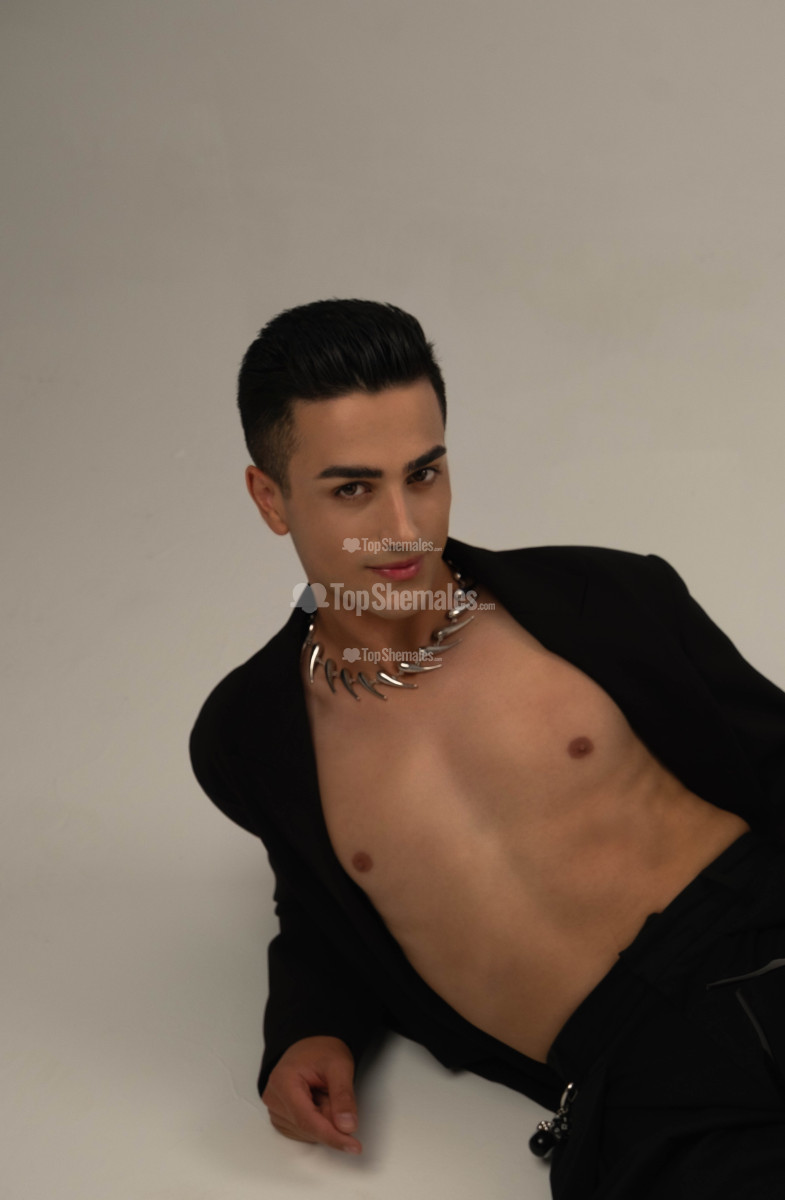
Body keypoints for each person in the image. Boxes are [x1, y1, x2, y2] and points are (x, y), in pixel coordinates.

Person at [189, 299, 785, 1198]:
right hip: (632, 1078)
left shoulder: (604, 596)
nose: (403, 525)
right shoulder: (248, 737)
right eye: (352, 489)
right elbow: (321, 903)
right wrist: (309, 1028)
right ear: (270, 497)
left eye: (423, 474)